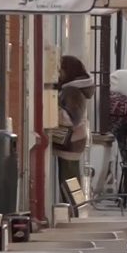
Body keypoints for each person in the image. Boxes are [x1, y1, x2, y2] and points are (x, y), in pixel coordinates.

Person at [52, 56, 94, 194]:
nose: (59, 73)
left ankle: (73, 206)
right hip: (74, 140)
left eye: (61, 69)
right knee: (70, 181)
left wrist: (53, 109)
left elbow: (70, 119)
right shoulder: (72, 89)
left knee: (69, 182)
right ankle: (73, 205)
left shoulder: (72, 91)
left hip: (70, 141)